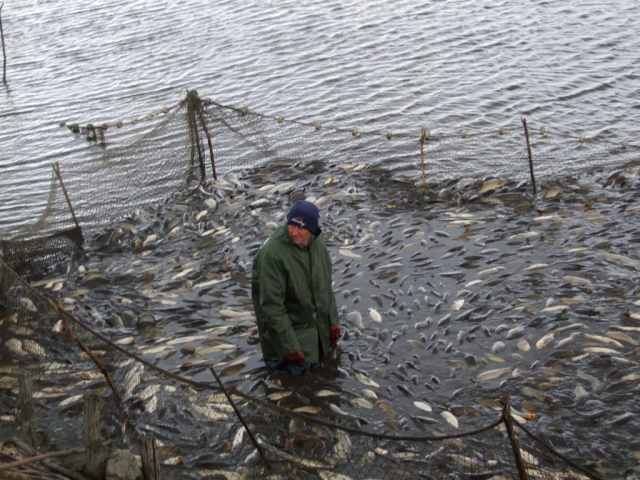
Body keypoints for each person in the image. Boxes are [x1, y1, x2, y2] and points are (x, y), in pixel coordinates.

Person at [251, 200, 340, 376]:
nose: (294, 232)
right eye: (292, 225)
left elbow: (325, 285)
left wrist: (333, 320)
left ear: (313, 229)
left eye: (301, 228)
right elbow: (271, 306)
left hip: (316, 330)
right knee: (294, 387)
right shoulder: (273, 254)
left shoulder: (318, 243)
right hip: (288, 340)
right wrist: (289, 347)